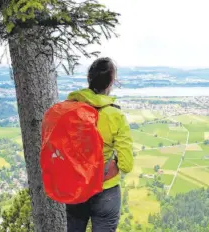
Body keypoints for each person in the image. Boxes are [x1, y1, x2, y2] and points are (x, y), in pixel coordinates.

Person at [66, 57, 134, 232]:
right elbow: (126, 165)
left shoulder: (70, 109)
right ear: (112, 82)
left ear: (89, 78)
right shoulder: (115, 115)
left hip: (76, 186)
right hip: (106, 190)